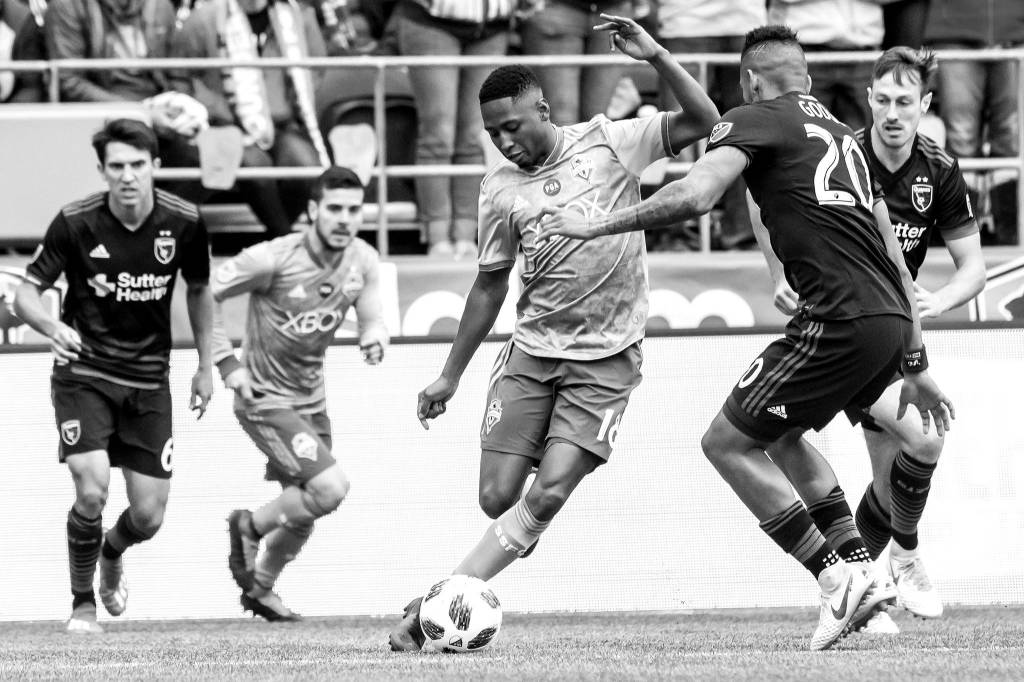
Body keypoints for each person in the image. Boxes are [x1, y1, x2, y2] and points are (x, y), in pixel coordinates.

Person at [536, 25, 955, 650]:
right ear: (809, 80)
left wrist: (595, 223)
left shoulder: (754, 118)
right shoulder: (843, 135)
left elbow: (697, 194)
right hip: (887, 320)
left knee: (726, 443)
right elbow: (895, 253)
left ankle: (836, 581)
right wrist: (915, 358)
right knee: (779, 434)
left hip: (836, 319)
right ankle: (858, 570)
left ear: (751, 82)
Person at [388, 13, 720, 651]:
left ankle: (438, 603)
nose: (504, 142)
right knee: (497, 499)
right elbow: (490, 284)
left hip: (606, 359)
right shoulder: (499, 191)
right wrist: (449, 375)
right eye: (492, 133)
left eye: (512, 126)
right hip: (532, 353)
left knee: (550, 492)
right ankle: (513, 529)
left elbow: (707, 119)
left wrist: (654, 55)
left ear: (545, 108)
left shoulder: (610, 142)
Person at [763, 46, 983, 635]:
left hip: (886, 331)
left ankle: (866, 589)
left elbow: (973, 268)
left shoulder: (938, 171)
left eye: (904, 101)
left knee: (897, 473)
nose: (891, 112)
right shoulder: (843, 156)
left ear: (925, 105)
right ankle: (898, 561)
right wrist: (776, 272)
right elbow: (767, 203)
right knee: (922, 442)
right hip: (842, 325)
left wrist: (938, 298)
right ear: (867, 99)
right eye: (882, 99)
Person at [14, 118, 214, 633]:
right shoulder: (76, 221)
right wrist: (49, 325)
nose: (128, 176)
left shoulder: (185, 221)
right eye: (117, 167)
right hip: (85, 372)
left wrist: (206, 365)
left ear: (156, 167)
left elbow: (199, 290)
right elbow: (25, 294)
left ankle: (110, 552)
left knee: (148, 517)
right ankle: (83, 603)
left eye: (138, 165)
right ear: (103, 171)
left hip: (150, 378)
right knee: (92, 489)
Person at [216, 166, 387, 620]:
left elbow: (372, 317)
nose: (344, 219)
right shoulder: (271, 258)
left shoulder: (363, 261)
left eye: (353, 210)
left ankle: (260, 590)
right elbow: (204, 293)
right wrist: (226, 362)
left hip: (312, 401)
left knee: (307, 512)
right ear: (313, 210)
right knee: (330, 488)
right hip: (264, 398)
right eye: (334, 208)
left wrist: (374, 335)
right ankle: (247, 526)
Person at [165, 0, 330, 239]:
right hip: (221, 126)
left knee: (305, 167)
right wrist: (214, 108)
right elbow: (179, 77)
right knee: (255, 167)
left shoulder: (298, 15)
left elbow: (316, 68)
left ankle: (274, 244)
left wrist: (285, 102)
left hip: (281, 125)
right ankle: (284, 241)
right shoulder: (204, 19)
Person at [391, 0, 516, 259]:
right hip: (430, 21)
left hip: (493, 26)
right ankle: (437, 238)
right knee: (438, 133)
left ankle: (466, 235)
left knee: (475, 135)